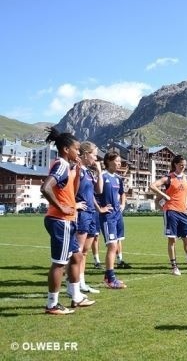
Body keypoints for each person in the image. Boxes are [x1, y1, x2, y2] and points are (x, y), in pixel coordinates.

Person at [41, 127, 95, 314]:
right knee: (59, 262)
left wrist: (78, 171)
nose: (78, 152)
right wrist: (61, 207)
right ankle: (52, 304)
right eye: (76, 149)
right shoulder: (61, 165)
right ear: (66, 149)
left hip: (67, 219)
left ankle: (76, 297)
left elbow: (72, 188)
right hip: (60, 220)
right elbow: (46, 188)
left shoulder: (68, 166)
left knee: (77, 256)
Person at [73, 141, 107, 295]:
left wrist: (99, 172)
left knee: (85, 251)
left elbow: (98, 191)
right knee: (78, 251)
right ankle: (73, 285)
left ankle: (82, 283)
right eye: (94, 154)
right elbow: (68, 189)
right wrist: (74, 204)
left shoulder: (88, 171)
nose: (96, 157)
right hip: (82, 214)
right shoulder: (77, 169)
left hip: (92, 213)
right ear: (85, 154)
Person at [98, 150, 127, 288]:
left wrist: (122, 204)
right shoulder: (102, 176)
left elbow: (122, 193)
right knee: (112, 246)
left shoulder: (118, 178)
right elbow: (92, 194)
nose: (119, 163)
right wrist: (100, 208)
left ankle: (107, 276)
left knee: (115, 246)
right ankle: (111, 280)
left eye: (120, 161)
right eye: (117, 160)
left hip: (117, 215)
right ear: (109, 161)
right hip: (107, 217)